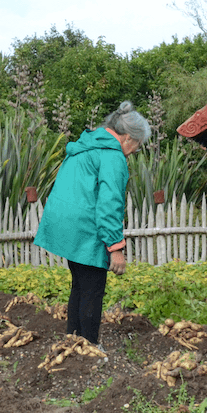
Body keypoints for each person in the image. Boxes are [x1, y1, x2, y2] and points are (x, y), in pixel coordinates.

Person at [34, 101, 151, 352]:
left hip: (65, 225)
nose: (133, 151)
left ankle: (72, 343)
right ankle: (88, 349)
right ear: (128, 138)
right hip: (86, 228)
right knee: (92, 288)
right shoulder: (112, 156)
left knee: (80, 285)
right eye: (137, 145)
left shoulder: (85, 146)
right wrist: (115, 247)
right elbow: (109, 205)